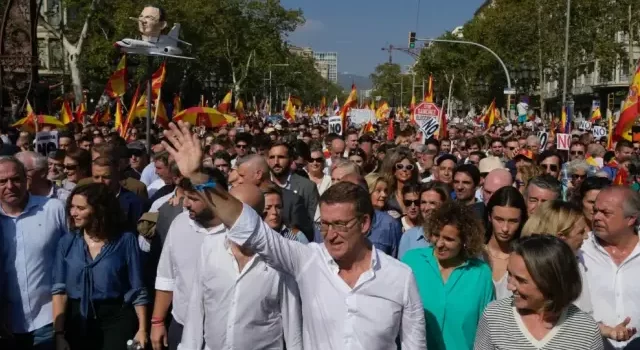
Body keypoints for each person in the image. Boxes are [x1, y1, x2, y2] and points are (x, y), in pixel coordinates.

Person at [161, 121, 427, 350]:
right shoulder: (308, 261)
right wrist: (198, 177)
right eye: (324, 225)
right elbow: (250, 229)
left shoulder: (400, 278)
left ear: (365, 223)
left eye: (341, 225)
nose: (330, 235)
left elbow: (415, 345)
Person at [178, 183, 303, 350]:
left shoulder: (279, 259)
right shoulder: (209, 247)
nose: (230, 217)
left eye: (237, 213)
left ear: (257, 216)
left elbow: (292, 322)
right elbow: (196, 307)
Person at [51, 183, 148, 350]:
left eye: (80, 208)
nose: (74, 213)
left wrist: (142, 329)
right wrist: (59, 334)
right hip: (78, 319)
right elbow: (59, 291)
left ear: (99, 210)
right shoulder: (67, 242)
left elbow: (138, 289)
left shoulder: (125, 240)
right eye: (72, 207)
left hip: (116, 318)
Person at [474, 234, 603, 349]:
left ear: (550, 282)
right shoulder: (494, 316)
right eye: (510, 274)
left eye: (521, 280)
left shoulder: (586, 330)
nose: (510, 287)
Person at [151, 172, 228, 350]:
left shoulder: (237, 231)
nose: (185, 204)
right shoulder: (179, 223)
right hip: (181, 325)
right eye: (185, 197)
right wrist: (157, 321)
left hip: (223, 332)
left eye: (193, 198)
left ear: (214, 198)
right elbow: (166, 276)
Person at [403, 201, 493, 350]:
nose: (439, 244)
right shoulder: (412, 261)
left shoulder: (480, 273)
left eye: (449, 239)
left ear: (465, 241)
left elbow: (487, 329)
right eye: (436, 235)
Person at [0, 156, 68, 350]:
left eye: (16, 179)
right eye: (2, 181)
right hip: (6, 324)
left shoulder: (53, 209)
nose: (10, 186)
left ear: (26, 179)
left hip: (48, 319)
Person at [582, 187, 640, 348]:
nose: (597, 217)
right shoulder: (580, 251)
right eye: (595, 211)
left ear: (631, 219)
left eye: (606, 213)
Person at [520, 200, 592, 313]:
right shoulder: (526, 269)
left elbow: (581, 315)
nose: (586, 237)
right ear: (561, 237)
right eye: (581, 232)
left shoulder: (577, 260)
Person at [484, 186, 527, 300]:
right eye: (499, 219)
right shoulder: (475, 255)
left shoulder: (526, 259)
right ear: (489, 217)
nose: (505, 228)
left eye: (513, 221)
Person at [399, 182, 450, 259]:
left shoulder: (452, 236)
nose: (426, 208)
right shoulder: (408, 237)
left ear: (444, 205)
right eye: (423, 202)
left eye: (432, 203)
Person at [381, 147, 419, 218]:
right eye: (400, 166)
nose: (404, 169)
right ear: (394, 171)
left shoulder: (419, 190)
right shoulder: (387, 193)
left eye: (408, 167)